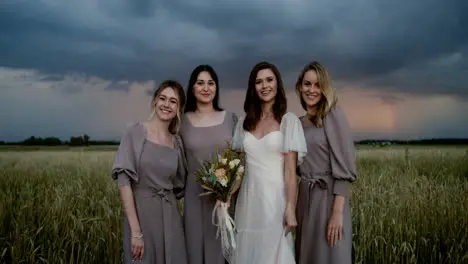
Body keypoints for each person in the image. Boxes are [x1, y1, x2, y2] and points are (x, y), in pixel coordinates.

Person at [231, 61, 307, 263]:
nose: (264, 86)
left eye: (269, 80)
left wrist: (290, 207)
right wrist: (226, 196)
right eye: (258, 82)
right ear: (253, 87)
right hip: (248, 201)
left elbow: (291, 173)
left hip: (275, 201)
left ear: (277, 84)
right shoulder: (243, 123)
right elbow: (239, 168)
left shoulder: (288, 121)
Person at [111, 80, 188, 264]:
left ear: (179, 108)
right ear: (155, 101)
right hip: (142, 217)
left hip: (170, 218)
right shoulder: (135, 133)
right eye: (163, 98)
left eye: (173, 101)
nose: (166, 105)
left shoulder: (176, 142)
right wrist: (136, 232)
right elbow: (124, 183)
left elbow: (181, 185)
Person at [294, 61, 357, 264]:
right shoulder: (297, 123)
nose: (312, 90)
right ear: (299, 86)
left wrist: (337, 213)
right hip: (304, 200)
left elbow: (346, 169)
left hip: (329, 200)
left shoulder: (333, 115)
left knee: (331, 255)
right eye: (307, 84)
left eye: (317, 85)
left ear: (325, 88)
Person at [179, 65, 238, 264]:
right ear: (192, 88)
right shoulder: (181, 122)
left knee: (223, 252)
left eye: (211, 83)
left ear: (216, 87)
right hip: (194, 200)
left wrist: (229, 193)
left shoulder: (231, 119)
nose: (206, 88)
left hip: (225, 202)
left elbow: (241, 162)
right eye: (200, 83)